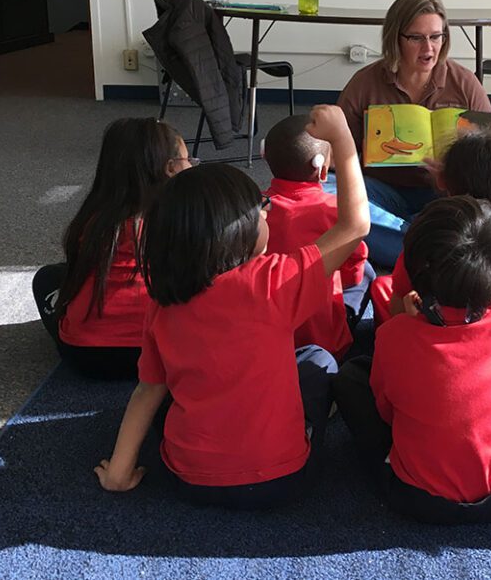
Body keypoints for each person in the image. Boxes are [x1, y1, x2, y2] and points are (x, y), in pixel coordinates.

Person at [94, 105, 369, 509]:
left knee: (169, 392)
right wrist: (343, 141)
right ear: (240, 232)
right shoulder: (275, 281)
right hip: (286, 479)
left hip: (188, 479)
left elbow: (147, 390)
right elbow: (355, 225)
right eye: (261, 208)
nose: (267, 209)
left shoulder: (163, 299)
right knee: (318, 361)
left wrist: (119, 472)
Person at [334, 196, 491, 524]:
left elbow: (386, 410)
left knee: (350, 377)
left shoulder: (394, 334)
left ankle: (393, 461)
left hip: (415, 498)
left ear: (416, 272)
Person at [335, 0, 491, 268]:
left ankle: (409, 247)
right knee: (330, 194)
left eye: (436, 36)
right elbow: (338, 148)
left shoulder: (464, 82)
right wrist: (358, 156)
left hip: (449, 195)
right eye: (416, 38)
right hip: (384, 191)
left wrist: (453, 171)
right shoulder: (365, 82)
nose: (428, 48)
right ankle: (442, 249)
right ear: (395, 38)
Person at [31, 117, 193, 380]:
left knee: (47, 278)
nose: (191, 165)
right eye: (189, 160)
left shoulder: (95, 220)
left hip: (87, 357)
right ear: (171, 168)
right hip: (161, 353)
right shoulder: (183, 220)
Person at [370, 132, 491, 325]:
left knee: (381, 286)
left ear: (441, 180)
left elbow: (398, 305)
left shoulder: (427, 234)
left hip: (435, 333)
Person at [262, 114, 375, 358]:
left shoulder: (254, 210)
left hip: (268, 325)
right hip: (322, 334)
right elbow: (353, 266)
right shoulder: (332, 210)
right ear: (322, 168)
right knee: (367, 272)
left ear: (264, 155)